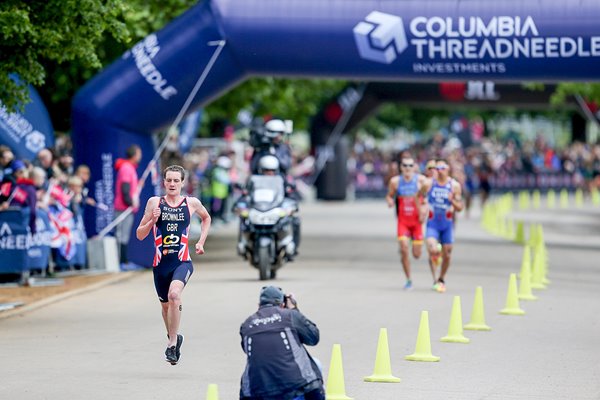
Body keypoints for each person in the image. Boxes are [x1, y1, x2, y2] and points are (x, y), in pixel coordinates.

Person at [135, 164, 211, 365]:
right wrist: (152, 221)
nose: (172, 183)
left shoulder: (191, 203)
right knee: (166, 307)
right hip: (160, 265)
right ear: (164, 182)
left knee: (174, 295)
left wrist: (201, 241)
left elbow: (206, 218)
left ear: (182, 183)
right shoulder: (154, 203)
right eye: (169, 180)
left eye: (176, 180)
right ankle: (175, 337)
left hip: (182, 261)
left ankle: (171, 343)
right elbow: (140, 234)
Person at [239, 286, 325, 400]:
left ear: (259, 305)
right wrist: (294, 309)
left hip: (257, 393)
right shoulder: (290, 315)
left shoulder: (247, 325)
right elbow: (313, 338)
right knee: (316, 364)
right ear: (282, 304)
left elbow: (248, 351)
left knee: (250, 369)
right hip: (293, 390)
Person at [385, 155, 428, 290]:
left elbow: (427, 200)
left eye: (410, 165)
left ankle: (434, 248)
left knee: (416, 254)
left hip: (416, 223)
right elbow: (389, 195)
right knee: (404, 249)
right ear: (400, 167)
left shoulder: (421, 181)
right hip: (403, 221)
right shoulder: (395, 182)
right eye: (405, 165)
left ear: (415, 167)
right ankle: (408, 279)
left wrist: (424, 211)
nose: (408, 168)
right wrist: (390, 201)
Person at [423, 158, 464, 293]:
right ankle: (434, 277)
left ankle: (441, 278)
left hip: (446, 224)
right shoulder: (429, 184)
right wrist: (421, 209)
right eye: (437, 168)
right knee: (432, 249)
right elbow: (418, 197)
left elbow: (460, 208)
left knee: (447, 252)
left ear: (448, 169)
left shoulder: (454, 186)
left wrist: (452, 201)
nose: (439, 171)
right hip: (433, 223)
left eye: (442, 168)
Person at [114, 145, 142, 268]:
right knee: (121, 235)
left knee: (124, 235)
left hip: (127, 208)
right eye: (139, 153)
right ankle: (121, 262)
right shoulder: (126, 168)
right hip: (123, 208)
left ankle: (124, 261)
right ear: (134, 154)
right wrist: (130, 202)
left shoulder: (131, 168)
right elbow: (125, 188)